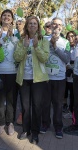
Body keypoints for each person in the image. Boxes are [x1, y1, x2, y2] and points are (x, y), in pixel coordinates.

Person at [14, 15, 49, 144]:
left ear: (38, 26)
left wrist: (36, 47)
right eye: (30, 24)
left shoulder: (43, 40)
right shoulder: (21, 39)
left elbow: (45, 59)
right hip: (24, 79)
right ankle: (25, 130)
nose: (32, 26)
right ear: (27, 26)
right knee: (25, 107)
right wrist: (24, 46)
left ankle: (35, 133)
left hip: (38, 80)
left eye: (35, 24)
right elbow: (16, 58)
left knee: (37, 106)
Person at [42, 17, 70, 139]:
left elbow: (67, 59)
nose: (56, 27)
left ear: (61, 27)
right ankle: (45, 124)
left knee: (58, 104)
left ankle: (58, 127)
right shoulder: (43, 39)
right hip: (46, 77)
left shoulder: (66, 42)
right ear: (51, 26)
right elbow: (40, 56)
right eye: (54, 24)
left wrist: (55, 47)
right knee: (45, 103)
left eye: (59, 25)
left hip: (59, 78)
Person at [0, 9, 18, 136]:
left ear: (12, 19)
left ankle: (10, 122)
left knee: (11, 99)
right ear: (1, 18)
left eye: (9, 15)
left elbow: (20, 49)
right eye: (4, 15)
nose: (7, 17)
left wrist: (12, 37)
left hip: (12, 71)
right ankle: (1, 122)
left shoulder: (17, 33)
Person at [63, 31, 76, 119]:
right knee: (65, 92)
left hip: (75, 73)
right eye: (68, 37)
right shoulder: (65, 46)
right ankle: (65, 106)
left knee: (73, 94)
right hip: (65, 72)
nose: (70, 38)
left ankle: (72, 112)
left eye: (72, 36)